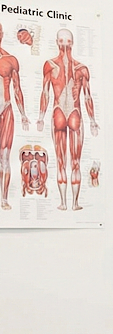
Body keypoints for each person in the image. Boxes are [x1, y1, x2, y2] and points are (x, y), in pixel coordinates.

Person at [37, 28, 97, 211]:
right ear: (57, 42)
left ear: (71, 43)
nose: (64, 45)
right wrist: (40, 117)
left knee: (71, 161)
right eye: (62, 41)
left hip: (69, 112)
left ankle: (70, 202)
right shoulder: (55, 66)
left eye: (67, 41)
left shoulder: (79, 69)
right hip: (64, 112)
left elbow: (87, 96)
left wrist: (93, 120)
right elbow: (45, 93)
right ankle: (68, 202)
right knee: (64, 161)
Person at [0, 23, 29, 210]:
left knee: (4, 156)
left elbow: (17, 89)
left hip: (6, 110)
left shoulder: (10, 59)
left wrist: (24, 114)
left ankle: (3, 198)